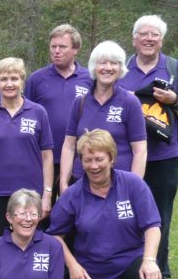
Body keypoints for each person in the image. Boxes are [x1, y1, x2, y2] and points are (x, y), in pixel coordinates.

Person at [48, 129, 163, 279]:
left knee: (151, 276)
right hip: (95, 271)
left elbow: (152, 226)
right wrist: (73, 266)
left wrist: (149, 259)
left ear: (111, 158)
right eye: (87, 160)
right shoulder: (74, 195)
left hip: (131, 263)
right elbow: (54, 235)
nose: (93, 166)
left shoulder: (133, 184)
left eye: (99, 159)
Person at [121, 15, 178, 279]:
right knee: (126, 216)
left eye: (155, 34)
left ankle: (159, 275)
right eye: (144, 34)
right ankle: (127, 273)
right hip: (126, 156)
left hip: (163, 158)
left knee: (160, 216)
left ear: (162, 40)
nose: (149, 38)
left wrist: (174, 101)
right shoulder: (122, 68)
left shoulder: (175, 68)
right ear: (134, 39)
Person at [0, 57, 53, 279]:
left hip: (30, 193)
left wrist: (47, 194)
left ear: (22, 81)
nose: (9, 83)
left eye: (14, 78)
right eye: (4, 79)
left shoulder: (38, 112)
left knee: (31, 243)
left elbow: (47, 157)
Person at [59, 40, 146, 191]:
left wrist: (133, 188)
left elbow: (140, 150)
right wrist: (63, 184)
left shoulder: (130, 102)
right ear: (94, 67)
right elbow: (69, 147)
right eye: (102, 63)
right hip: (81, 183)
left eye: (114, 63)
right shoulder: (80, 103)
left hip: (119, 184)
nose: (108, 68)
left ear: (120, 68)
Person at [25, 24, 92, 203]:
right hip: (43, 158)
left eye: (62, 47)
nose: (56, 51)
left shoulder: (89, 79)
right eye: (53, 46)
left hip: (78, 160)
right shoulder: (36, 79)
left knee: (73, 209)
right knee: (42, 209)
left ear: (75, 49)